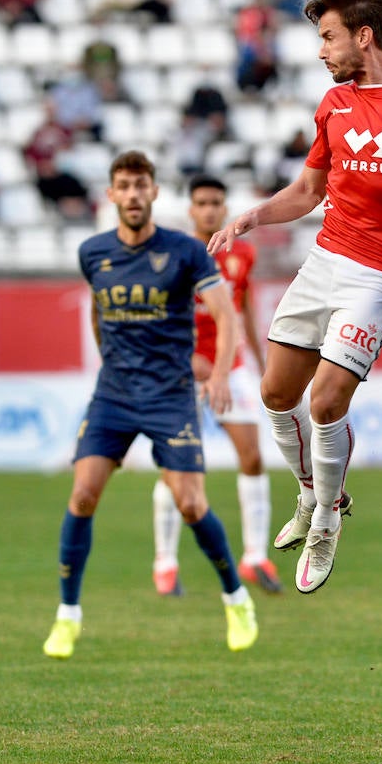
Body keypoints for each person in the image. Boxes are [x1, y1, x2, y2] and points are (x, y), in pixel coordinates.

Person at [208, 0, 382, 595]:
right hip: (325, 258)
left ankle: (327, 519)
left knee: (326, 402)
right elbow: (307, 192)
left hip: (380, 270)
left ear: (364, 34)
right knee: (276, 392)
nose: (321, 51)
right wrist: (251, 215)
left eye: (327, 37)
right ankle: (312, 493)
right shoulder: (333, 106)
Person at [43, 152, 258, 660]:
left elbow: (226, 316)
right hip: (115, 394)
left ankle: (236, 597)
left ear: (154, 193)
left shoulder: (185, 252)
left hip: (170, 395)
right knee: (83, 495)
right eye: (124, 186)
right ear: (112, 195)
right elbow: (98, 314)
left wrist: (222, 370)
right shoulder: (93, 252)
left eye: (142, 185)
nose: (134, 194)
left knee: (191, 504)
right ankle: (67, 615)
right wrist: (112, 364)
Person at [152, 176, 283, 598]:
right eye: (202, 203)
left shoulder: (242, 253)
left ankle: (254, 555)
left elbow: (242, 311)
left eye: (216, 203)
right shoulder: (174, 254)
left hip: (233, 366)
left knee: (252, 456)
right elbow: (160, 314)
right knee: (177, 467)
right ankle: (166, 564)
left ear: (225, 208)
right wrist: (186, 357)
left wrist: (264, 367)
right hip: (182, 370)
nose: (210, 210)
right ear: (190, 210)